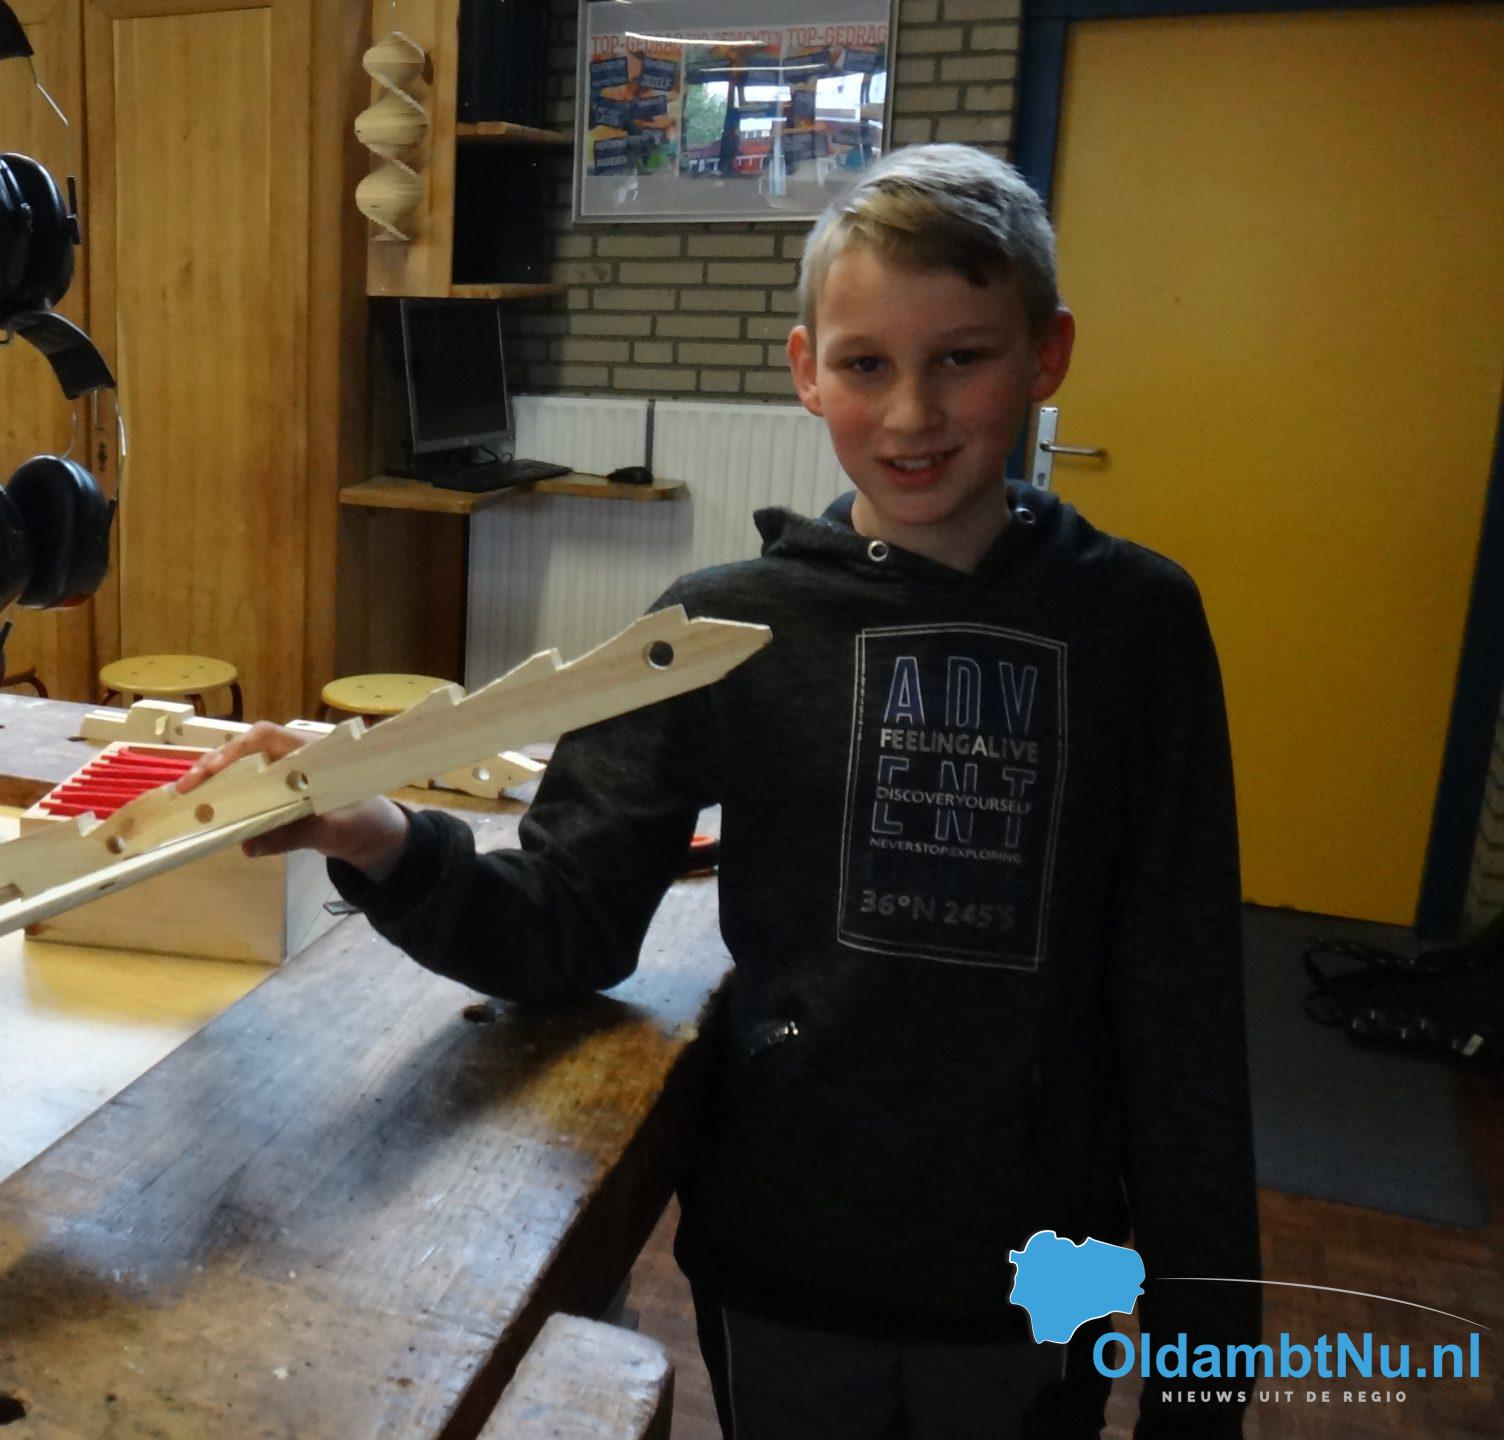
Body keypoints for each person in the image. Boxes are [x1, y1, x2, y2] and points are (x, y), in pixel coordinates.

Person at [181, 145, 1259, 1440]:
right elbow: (563, 921)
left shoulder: (1137, 626)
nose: (911, 413)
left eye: (961, 358)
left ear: (1047, 353)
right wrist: (376, 834)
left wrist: (1206, 1382)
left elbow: (1182, 1007)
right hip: (787, 1257)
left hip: (1037, 1272)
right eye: (866, 365)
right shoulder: (722, 631)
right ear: (806, 371)